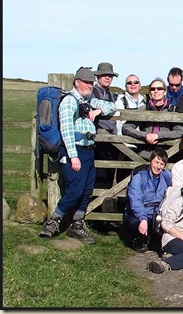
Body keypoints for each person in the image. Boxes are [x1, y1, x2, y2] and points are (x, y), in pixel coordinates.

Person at [38, 67, 116, 244]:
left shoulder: (87, 100)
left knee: (87, 189)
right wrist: (73, 156)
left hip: (88, 150)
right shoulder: (69, 102)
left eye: (91, 83)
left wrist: (98, 111)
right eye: (86, 82)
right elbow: (66, 130)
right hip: (75, 150)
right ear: (77, 82)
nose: (89, 85)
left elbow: (111, 106)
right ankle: (53, 222)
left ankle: (77, 225)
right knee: (75, 189)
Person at [121, 148, 172, 252]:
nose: (158, 167)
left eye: (161, 164)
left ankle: (153, 238)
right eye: (156, 162)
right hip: (140, 210)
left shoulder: (167, 176)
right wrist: (142, 218)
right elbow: (135, 199)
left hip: (157, 213)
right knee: (135, 221)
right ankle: (137, 238)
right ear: (150, 161)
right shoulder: (139, 177)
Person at [122, 78, 183, 161]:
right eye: (153, 89)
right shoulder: (143, 109)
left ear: (165, 92)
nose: (156, 91)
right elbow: (126, 128)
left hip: (169, 153)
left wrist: (157, 135)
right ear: (150, 92)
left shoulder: (172, 109)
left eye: (159, 89)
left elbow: (179, 131)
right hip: (145, 153)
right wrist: (145, 135)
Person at [114, 74, 147, 139]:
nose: (133, 84)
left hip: (143, 142)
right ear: (125, 86)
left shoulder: (146, 103)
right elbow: (117, 125)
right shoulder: (119, 102)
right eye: (129, 83)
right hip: (125, 143)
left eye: (136, 82)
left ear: (140, 86)